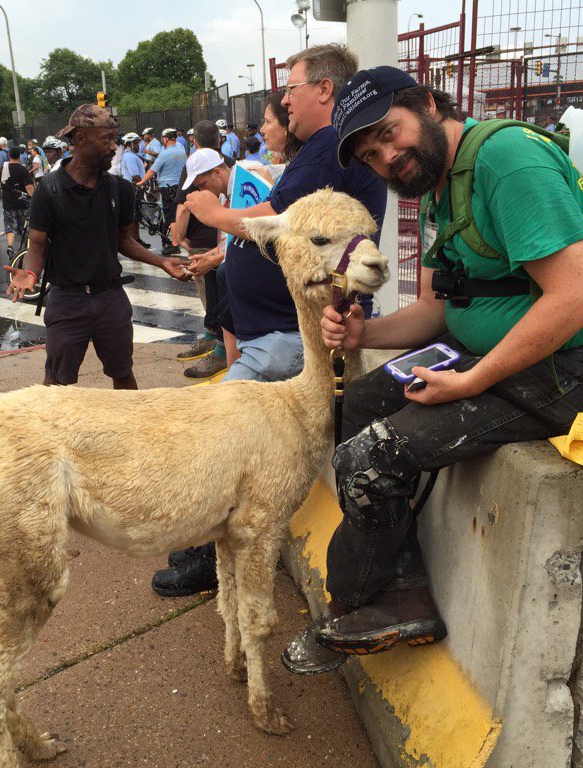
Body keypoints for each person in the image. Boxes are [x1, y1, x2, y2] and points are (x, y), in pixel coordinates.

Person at [280, 66, 583, 674]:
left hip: (578, 364)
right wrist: (367, 333)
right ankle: (401, 586)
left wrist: (472, 381)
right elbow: (433, 311)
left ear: (426, 103)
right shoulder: (439, 190)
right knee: (358, 406)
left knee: (373, 454)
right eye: (371, 155)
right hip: (499, 357)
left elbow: (579, 296)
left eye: (390, 135)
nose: (388, 157)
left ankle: (356, 605)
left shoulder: (506, 161)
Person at [158, 44, 387, 597]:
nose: (284, 101)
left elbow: (275, 221)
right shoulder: (322, 149)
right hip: (279, 333)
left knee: (215, 437)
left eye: (291, 88)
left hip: (289, 336)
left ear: (325, 90)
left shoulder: (331, 144)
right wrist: (220, 255)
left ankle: (201, 546)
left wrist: (212, 215)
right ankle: (210, 541)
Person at [5, 104, 190, 388]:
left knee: (123, 374)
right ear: (80, 139)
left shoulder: (119, 189)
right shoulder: (50, 190)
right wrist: (30, 273)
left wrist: (161, 261)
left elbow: (123, 240)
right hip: (67, 302)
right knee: (56, 384)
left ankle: (127, 431)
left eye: (115, 138)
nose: (114, 147)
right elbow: (37, 246)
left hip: (110, 299)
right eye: (107, 139)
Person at [172, 122, 234, 379]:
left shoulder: (242, 183)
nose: (200, 190)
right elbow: (232, 239)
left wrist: (214, 258)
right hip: (225, 250)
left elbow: (248, 233)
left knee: (221, 277)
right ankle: (222, 349)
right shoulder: (221, 193)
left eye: (202, 183)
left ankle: (225, 354)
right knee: (215, 275)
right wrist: (209, 257)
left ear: (218, 172)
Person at [137, 129, 187, 255]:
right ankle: (181, 240)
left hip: (167, 188)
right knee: (179, 214)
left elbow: (152, 171)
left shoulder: (165, 154)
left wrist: (140, 182)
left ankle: (174, 244)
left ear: (166, 139)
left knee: (171, 216)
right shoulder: (181, 152)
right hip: (180, 187)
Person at [0, 146, 36, 258]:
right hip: (22, 203)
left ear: (9, 155)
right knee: (24, 227)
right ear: (19, 155)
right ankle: (24, 250)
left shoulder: (3, 168)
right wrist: (35, 198)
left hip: (7, 202)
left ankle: (10, 246)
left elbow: (0, 183)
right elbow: (29, 188)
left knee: (10, 226)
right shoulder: (22, 169)